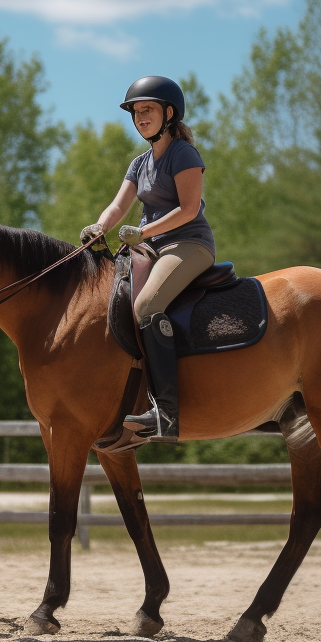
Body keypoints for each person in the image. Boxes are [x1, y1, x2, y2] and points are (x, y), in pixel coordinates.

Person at [80, 76, 214, 442]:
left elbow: (188, 210)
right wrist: (98, 226)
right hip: (149, 248)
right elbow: (119, 206)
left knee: (147, 306)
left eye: (148, 110)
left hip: (187, 245)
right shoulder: (139, 164)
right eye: (136, 112)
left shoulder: (183, 154)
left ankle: (167, 412)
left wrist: (143, 233)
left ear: (168, 113)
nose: (140, 117)